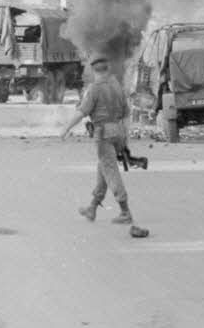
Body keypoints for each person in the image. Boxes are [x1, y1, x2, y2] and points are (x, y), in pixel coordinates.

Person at [59, 53, 148, 237]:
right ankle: (92, 207)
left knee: (110, 171)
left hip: (103, 135)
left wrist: (65, 128)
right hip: (118, 132)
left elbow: (81, 113)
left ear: (93, 71)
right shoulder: (117, 86)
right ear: (108, 68)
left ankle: (125, 211)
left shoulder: (94, 89)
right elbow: (125, 113)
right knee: (103, 170)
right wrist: (124, 136)